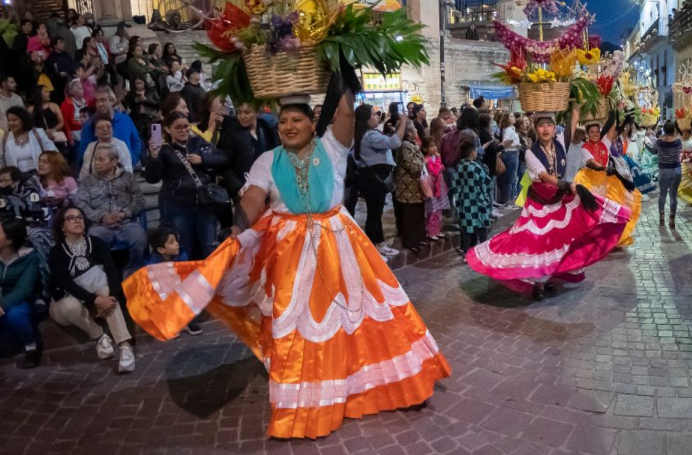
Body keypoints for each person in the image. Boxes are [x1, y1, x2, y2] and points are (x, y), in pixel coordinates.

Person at [123, 90, 452, 438]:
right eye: (283, 122)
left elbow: (344, 110)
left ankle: (375, 384)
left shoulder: (332, 148)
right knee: (296, 321)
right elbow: (252, 200)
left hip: (340, 240)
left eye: (297, 120)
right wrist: (237, 228)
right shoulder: (267, 160)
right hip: (291, 248)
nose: (289, 126)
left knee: (362, 313)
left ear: (313, 123)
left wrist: (335, 52)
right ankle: (307, 397)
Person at [465, 111, 631, 299]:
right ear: (535, 129)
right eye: (541, 126)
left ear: (554, 129)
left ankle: (547, 278)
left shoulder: (559, 144)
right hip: (539, 203)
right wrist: (565, 185)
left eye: (549, 126)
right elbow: (543, 175)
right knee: (537, 242)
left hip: (558, 198)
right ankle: (537, 283)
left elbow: (571, 138)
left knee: (558, 239)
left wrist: (575, 107)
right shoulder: (530, 152)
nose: (545, 129)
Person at [48, 206, 136, 374]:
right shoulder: (56, 252)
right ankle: (100, 336)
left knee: (106, 289)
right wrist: (95, 301)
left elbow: (112, 270)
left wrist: (110, 299)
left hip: (98, 293)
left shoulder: (96, 243)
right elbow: (65, 283)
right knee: (69, 305)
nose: (77, 220)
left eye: (80, 217)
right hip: (68, 302)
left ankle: (125, 347)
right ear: (62, 227)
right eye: (71, 218)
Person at [145, 112, 227, 260]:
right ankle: (186, 280)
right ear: (168, 130)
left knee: (209, 244)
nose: (184, 131)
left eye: (186, 127)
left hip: (204, 204)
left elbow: (222, 158)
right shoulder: (163, 149)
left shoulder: (197, 142)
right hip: (179, 206)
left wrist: (203, 159)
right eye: (178, 128)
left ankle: (215, 280)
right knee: (184, 246)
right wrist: (154, 157)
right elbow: (152, 178)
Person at [573, 110, 642, 247]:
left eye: (597, 132)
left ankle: (612, 239)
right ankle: (595, 239)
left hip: (606, 180)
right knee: (593, 212)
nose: (594, 134)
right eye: (591, 132)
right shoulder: (585, 148)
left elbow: (612, 127)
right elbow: (592, 163)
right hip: (590, 181)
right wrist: (605, 168)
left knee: (615, 208)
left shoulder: (605, 143)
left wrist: (613, 108)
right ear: (587, 134)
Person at [77, 144, 148, 271]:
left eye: (101, 159)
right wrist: (102, 217)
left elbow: (139, 200)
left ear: (114, 161)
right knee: (94, 239)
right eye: (95, 159)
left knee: (139, 236)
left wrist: (123, 213)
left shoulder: (128, 177)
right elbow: (81, 204)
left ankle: (132, 270)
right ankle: (106, 273)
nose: (96, 163)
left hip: (126, 223)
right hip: (99, 226)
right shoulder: (87, 181)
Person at [351, 104, 401, 256]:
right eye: (374, 115)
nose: (377, 117)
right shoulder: (370, 135)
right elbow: (395, 143)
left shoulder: (361, 134)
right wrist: (403, 123)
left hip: (368, 178)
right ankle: (374, 246)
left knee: (375, 212)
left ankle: (378, 244)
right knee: (374, 213)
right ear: (366, 119)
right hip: (374, 179)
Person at [221, 102, 279, 206]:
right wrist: (238, 187)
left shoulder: (267, 130)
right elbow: (225, 166)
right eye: (239, 113)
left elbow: (277, 156)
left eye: (247, 112)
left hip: (268, 187)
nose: (242, 117)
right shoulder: (231, 135)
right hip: (244, 188)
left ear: (256, 112)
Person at [0, 218, 39, 368]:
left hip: (19, 299)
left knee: (16, 315)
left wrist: (2, 305)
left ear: (9, 240)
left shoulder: (29, 257)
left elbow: (24, 288)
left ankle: (31, 347)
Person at [77, 86, 142, 167]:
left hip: (125, 170)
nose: (99, 104)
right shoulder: (90, 124)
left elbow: (136, 141)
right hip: (101, 173)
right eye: (97, 101)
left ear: (112, 101)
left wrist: (132, 159)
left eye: (103, 100)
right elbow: (84, 153)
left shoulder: (125, 120)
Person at [451, 131, 492, 254]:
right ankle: (484, 249)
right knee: (482, 227)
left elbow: (454, 186)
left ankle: (466, 251)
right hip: (478, 201)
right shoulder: (476, 167)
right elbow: (487, 183)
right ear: (473, 152)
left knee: (467, 228)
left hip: (464, 202)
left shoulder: (458, 168)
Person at [392, 119, 428, 253]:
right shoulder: (406, 146)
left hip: (414, 187)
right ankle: (411, 241)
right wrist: (424, 163)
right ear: (409, 132)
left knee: (417, 214)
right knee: (410, 216)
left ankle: (418, 238)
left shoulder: (410, 144)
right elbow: (411, 165)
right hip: (409, 188)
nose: (417, 131)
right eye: (414, 129)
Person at [0, 106, 57, 176]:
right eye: (9, 120)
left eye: (14, 120)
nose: (11, 123)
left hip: (40, 175)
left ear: (23, 121)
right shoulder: (5, 137)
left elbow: (53, 153)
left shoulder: (37, 133)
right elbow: (1, 160)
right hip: (16, 178)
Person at [650, 121, 683, 227]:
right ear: (673, 130)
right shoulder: (678, 142)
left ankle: (661, 216)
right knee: (673, 195)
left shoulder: (659, 142)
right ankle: (672, 218)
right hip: (676, 170)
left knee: (662, 194)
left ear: (664, 130)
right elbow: (680, 151)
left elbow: (654, 151)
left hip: (663, 170)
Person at [424, 141, 449, 241]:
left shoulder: (435, 158)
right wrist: (438, 160)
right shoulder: (426, 159)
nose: (434, 148)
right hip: (432, 188)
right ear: (425, 149)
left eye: (434, 145)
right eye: (431, 146)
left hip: (439, 187)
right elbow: (434, 171)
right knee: (432, 210)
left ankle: (437, 229)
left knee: (439, 210)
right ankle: (430, 231)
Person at [497, 111, 521, 208]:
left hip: (513, 153)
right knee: (509, 179)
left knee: (510, 179)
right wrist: (516, 144)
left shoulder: (510, 129)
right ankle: (506, 200)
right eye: (511, 116)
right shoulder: (508, 130)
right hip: (510, 153)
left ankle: (508, 199)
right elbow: (505, 142)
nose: (513, 117)